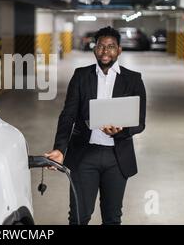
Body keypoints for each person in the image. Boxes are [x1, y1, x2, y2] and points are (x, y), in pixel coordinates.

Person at [45, 26, 146, 225]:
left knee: (112, 218)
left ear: (119, 50)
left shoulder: (133, 79)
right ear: (94, 49)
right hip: (84, 156)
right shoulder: (81, 76)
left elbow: (140, 122)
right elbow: (68, 115)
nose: (105, 51)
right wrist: (59, 149)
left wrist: (122, 131)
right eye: (101, 46)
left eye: (111, 47)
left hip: (117, 158)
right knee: (78, 217)